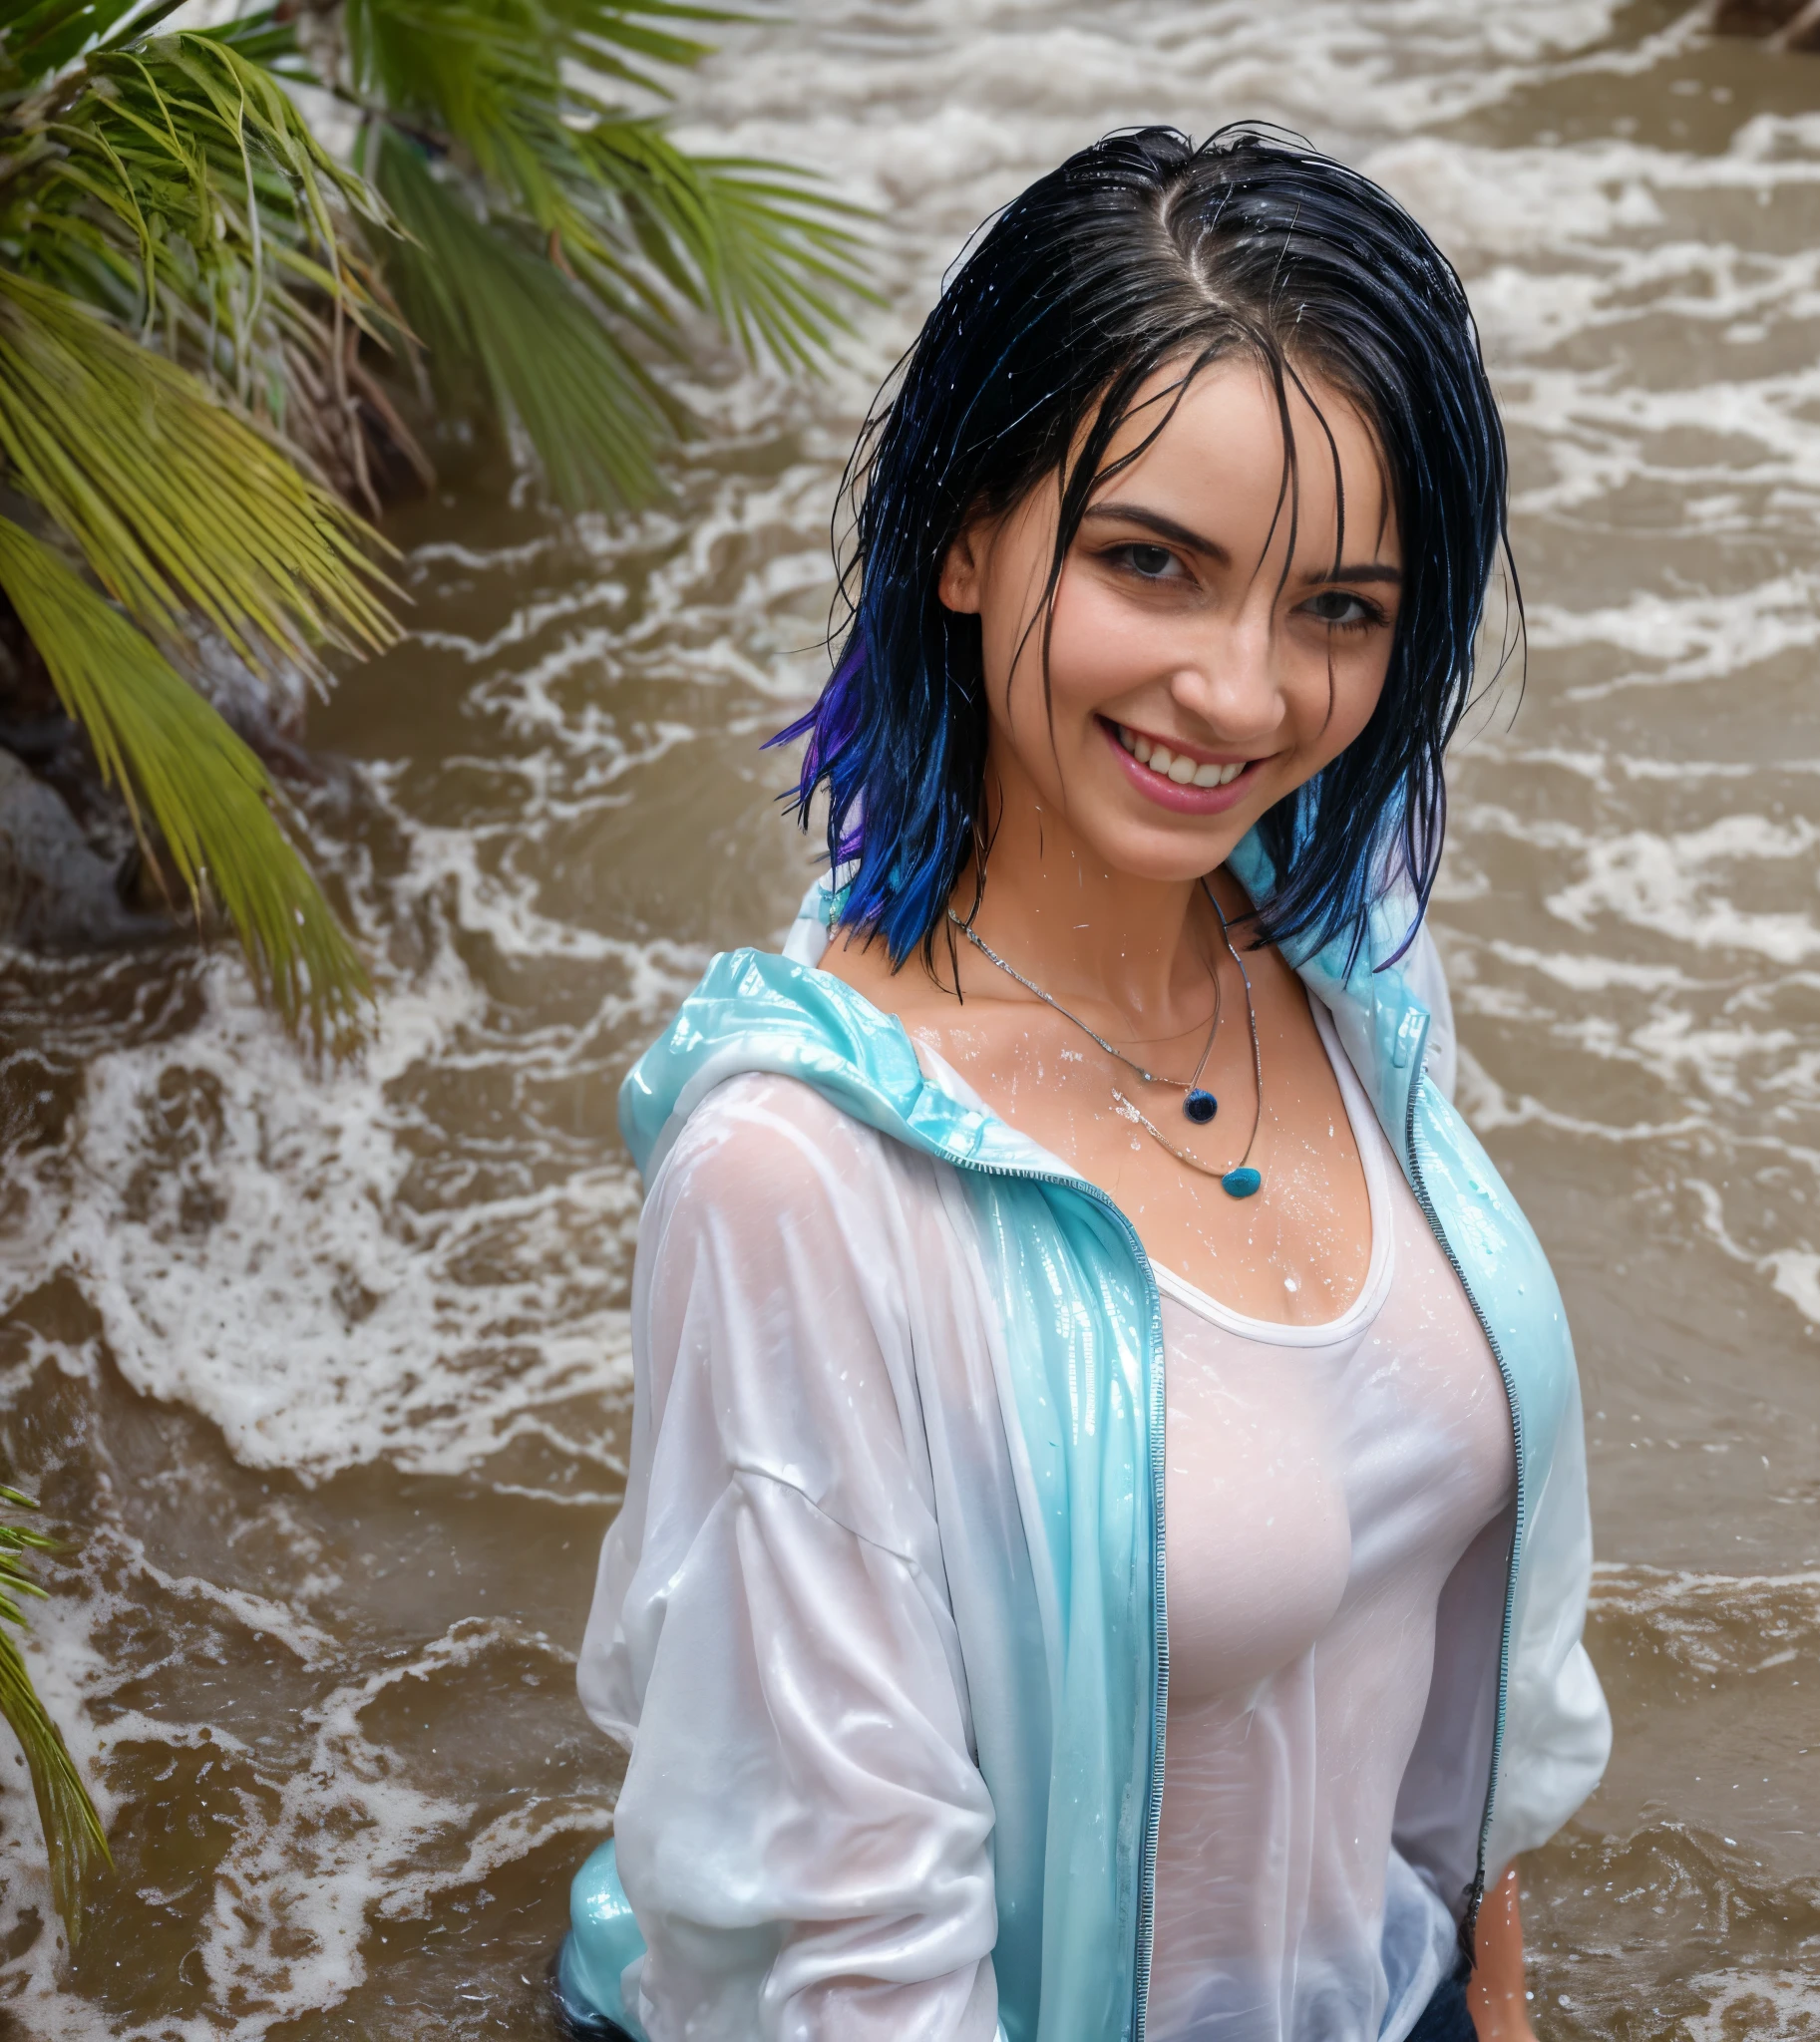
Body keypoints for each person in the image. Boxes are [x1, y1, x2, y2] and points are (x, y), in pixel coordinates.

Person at [559, 125, 1610, 2042]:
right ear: (966, 536)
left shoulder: (1351, 958)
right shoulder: (800, 1171)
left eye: (1338, 610)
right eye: (1153, 565)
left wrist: (1498, 2001)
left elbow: (1426, 1670)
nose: (1244, 692)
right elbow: (851, 1966)